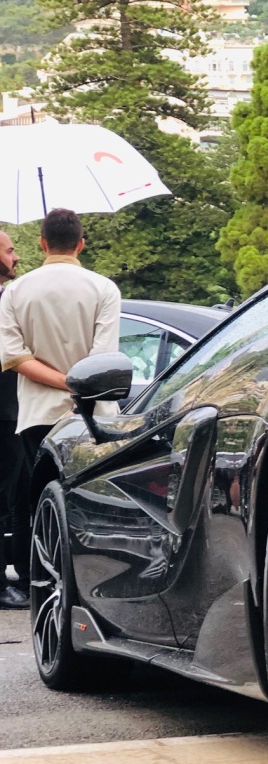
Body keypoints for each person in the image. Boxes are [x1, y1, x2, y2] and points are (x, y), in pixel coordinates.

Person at [0, 210, 121, 607]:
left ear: (42, 242)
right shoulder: (103, 289)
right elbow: (104, 359)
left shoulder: (16, 293)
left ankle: (45, 590)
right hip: (92, 417)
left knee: (40, 506)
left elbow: (14, 357)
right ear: (82, 243)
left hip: (36, 415)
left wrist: (60, 382)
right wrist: (78, 387)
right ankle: (87, 590)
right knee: (87, 504)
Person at [0, 231, 26, 609]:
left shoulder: (10, 299)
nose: (15, 256)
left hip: (14, 414)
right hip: (4, 416)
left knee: (18, 495)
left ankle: (24, 570)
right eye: (8, 250)